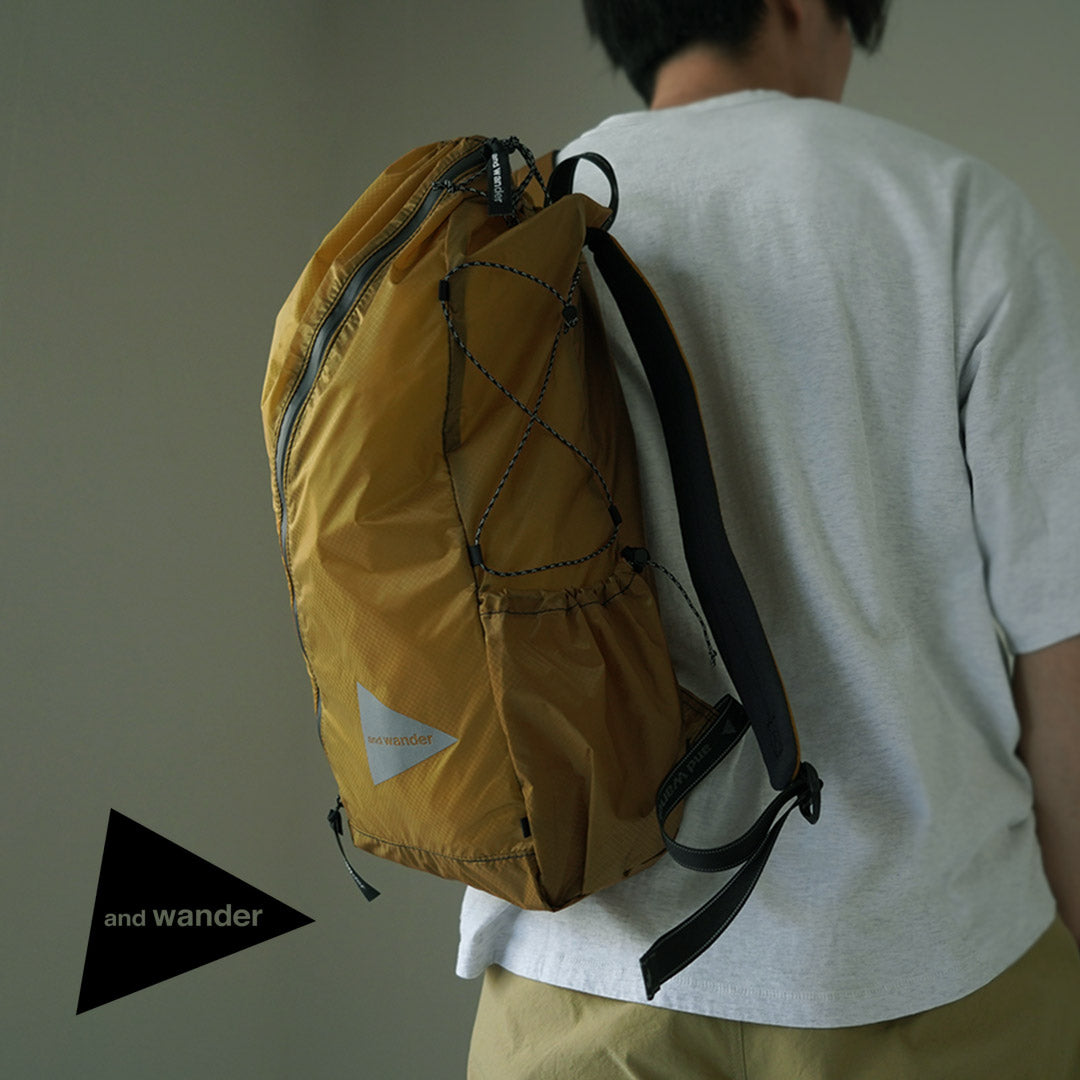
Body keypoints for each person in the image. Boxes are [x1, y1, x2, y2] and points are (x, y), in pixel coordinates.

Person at [458, 1, 1080, 1076]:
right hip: (932, 974)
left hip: (580, 971)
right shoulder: (952, 211)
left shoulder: (511, 225)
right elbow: (1063, 649)